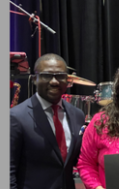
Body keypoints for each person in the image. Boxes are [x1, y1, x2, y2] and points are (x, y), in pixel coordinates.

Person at [10, 53, 86, 189]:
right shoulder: (15, 117)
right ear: (34, 79)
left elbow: (78, 161)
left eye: (60, 76)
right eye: (47, 75)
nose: (54, 81)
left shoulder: (77, 115)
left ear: (68, 80)